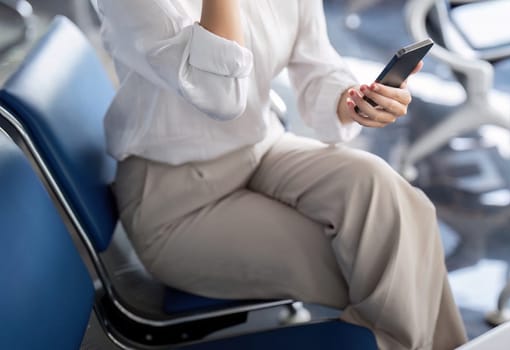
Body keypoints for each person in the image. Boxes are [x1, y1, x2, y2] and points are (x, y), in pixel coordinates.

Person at [98, 0, 467, 348]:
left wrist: (354, 103)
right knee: (390, 268)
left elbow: (317, 62)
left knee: (389, 198)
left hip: (261, 147)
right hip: (176, 201)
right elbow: (219, 94)